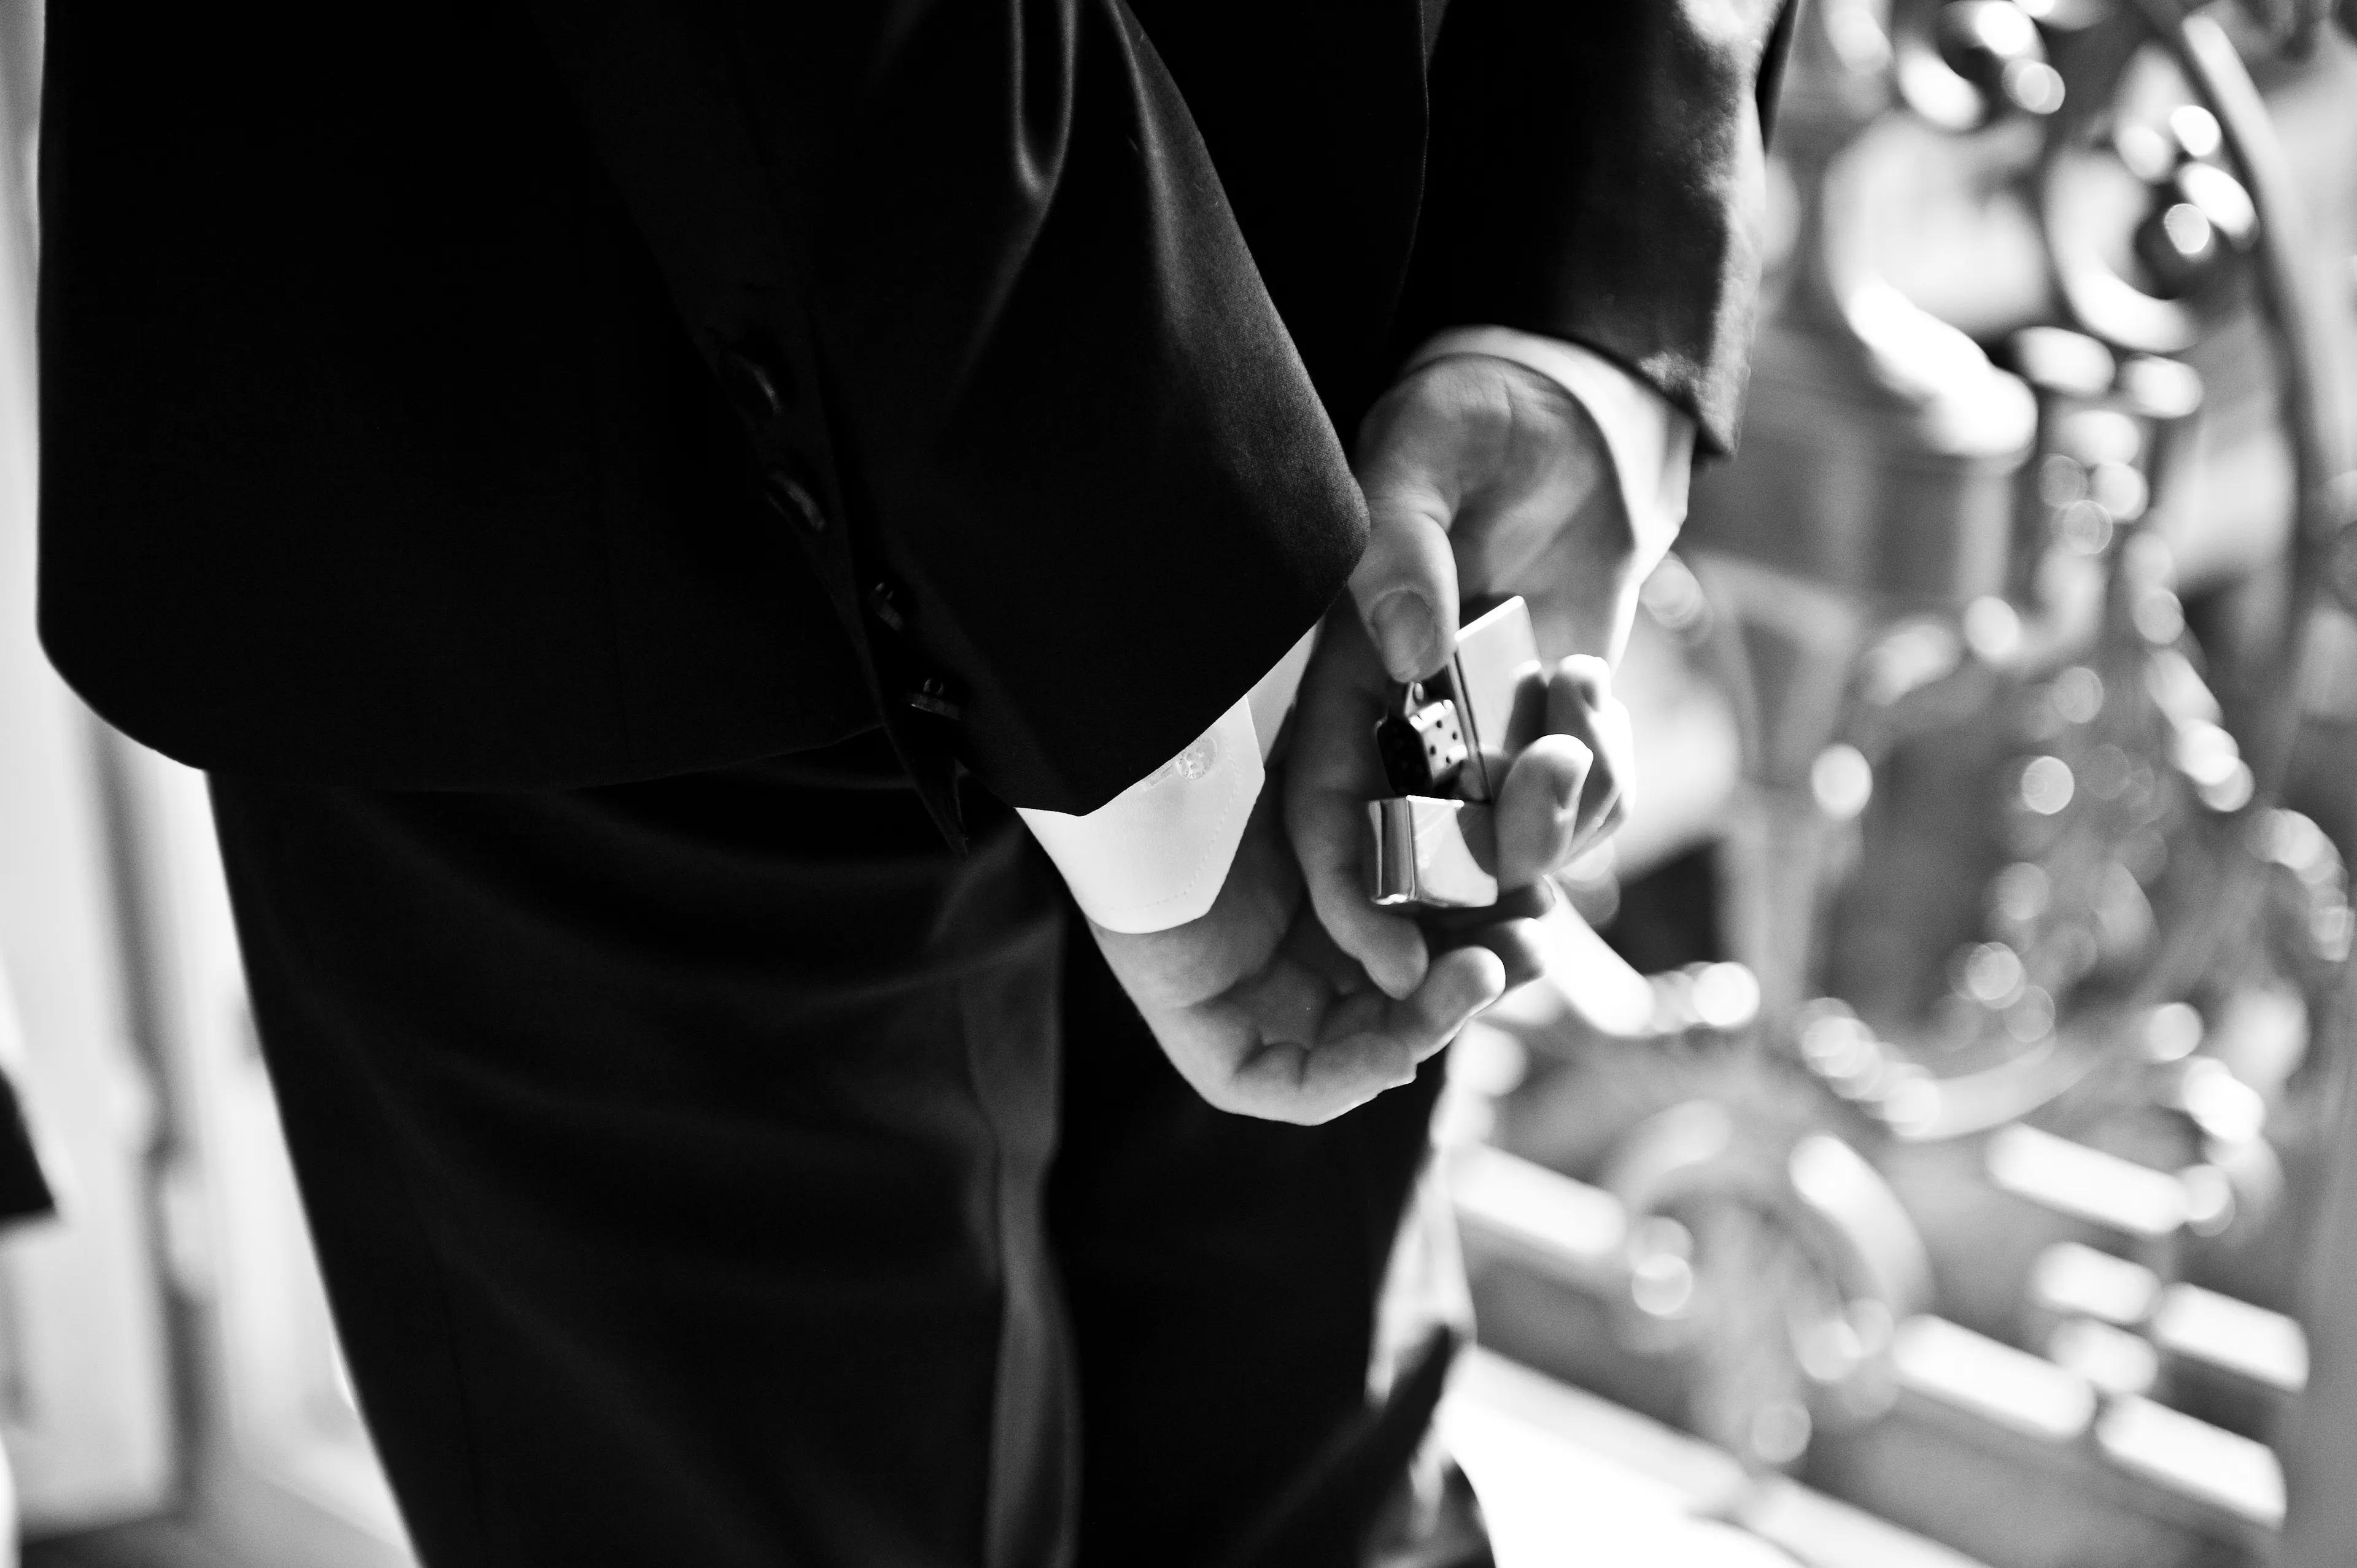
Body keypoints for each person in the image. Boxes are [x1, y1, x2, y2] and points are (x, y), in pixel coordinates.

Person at [36, 2, 1792, 1563]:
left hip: (1374, 398)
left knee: (1317, 1502)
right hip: (582, 446)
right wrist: (1150, 611)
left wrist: (1585, 274)